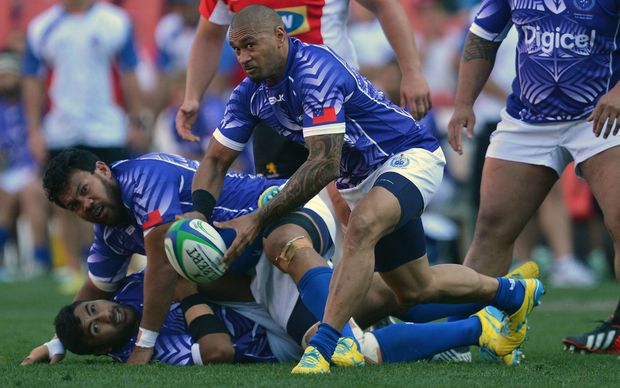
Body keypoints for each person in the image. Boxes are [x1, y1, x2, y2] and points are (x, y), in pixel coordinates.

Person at [182, 6, 544, 374]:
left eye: (250, 45)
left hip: (406, 155)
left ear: (280, 36)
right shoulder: (249, 94)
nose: (243, 57)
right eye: (237, 49)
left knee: (362, 229)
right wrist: (197, 215)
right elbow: (214, 161)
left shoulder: (314, 70)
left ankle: (324, 347)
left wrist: (257, 219)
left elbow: (324, 163)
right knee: (415, 290)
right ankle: (514, 294)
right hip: (358, 181)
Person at [21, 148, 377, 366]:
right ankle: (416, 330)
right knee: (404, 293)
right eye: (74, 205)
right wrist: (59, 341)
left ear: (102, 170)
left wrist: (145, 345)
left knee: (289, 254)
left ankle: (339, 336)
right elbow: (93, 291)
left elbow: (161, 264)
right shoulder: (111, 234)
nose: (86, 205)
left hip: (280, 211)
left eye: (85, 191)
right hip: (258, 276)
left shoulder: (143, 177)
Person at [446, 0, 620, 344]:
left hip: (600, 113)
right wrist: (464, 102)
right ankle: (458, 334)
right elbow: (483, 36)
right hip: (528, 119)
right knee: (492, 227)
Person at [50, 270, 525, 366]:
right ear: (104, 347)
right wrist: (190, 294)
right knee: (359, 348)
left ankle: (499, 300)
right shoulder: (147, 351)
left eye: (94, 308)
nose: (104, 315)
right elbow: (217, 350)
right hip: (270, 340)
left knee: (382, 294)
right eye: (97, 329)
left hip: (261, 299)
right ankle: (483, 322)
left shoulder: (134, 290)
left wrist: (54, 346)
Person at [176, 0, 431, 179]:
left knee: (350, 208)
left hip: (338, 104)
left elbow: (383, 4)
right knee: (277, 212)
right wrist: (192, 96)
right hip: (273, 106)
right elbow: (209, 34)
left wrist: (412, 72)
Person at [22, 0, 148, 293]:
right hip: (61, 127)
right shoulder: (42, 26)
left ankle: (128, 267)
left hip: (107, 126)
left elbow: (129, 72)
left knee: (119, 196)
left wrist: (137, 120)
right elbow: (32, 79)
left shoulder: (114, 20)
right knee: (68, 201)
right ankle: (72, 266)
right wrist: (34, 130)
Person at [0, 48, 51, 277]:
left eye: (9, 74)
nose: (5, 80)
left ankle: (41, 259)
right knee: (5, 194)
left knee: (30, 192)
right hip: (8, 172)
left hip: (35, 171)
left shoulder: (34, 105)